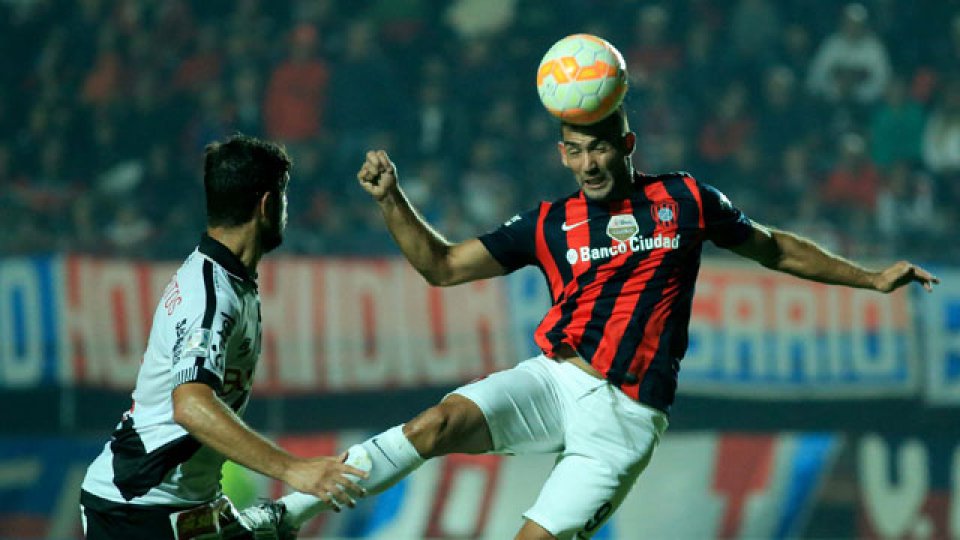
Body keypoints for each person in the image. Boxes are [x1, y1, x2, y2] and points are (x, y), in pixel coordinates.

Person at [246, 107, 939, 540]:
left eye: (600, 148)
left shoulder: (684, 199)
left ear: (626, 142)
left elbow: (775, 246)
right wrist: (392, 200)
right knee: (434, 424)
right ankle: (285, 517)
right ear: (561, 154)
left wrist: (870, 276)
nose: (589, 163)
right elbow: (443, 267)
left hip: (625, 421)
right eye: (575, 151)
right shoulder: (548, 222)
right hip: (552, 381)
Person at [79, 134, 366, 540]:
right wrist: (292, 468)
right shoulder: (211, 297)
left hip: (179, 505)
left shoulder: (230, 280)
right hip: (137, 512)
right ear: (267, 204)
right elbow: (191, 406)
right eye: (285, 197)